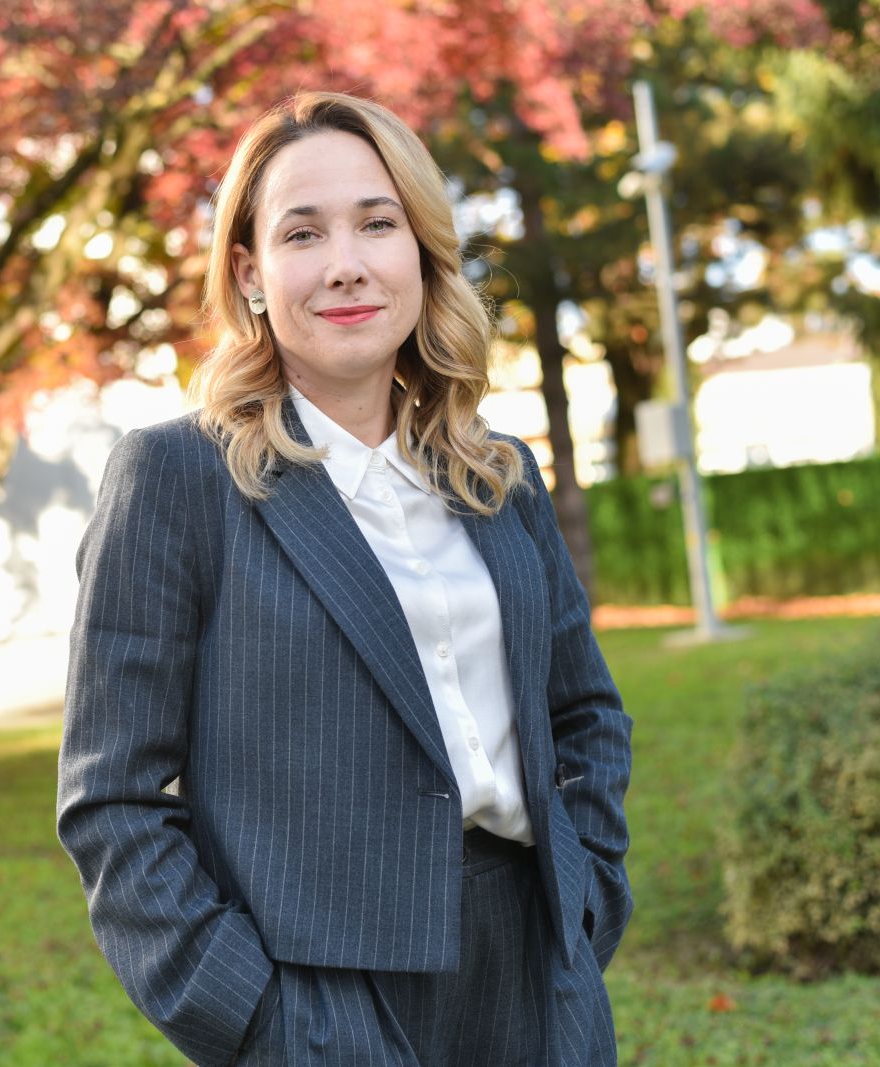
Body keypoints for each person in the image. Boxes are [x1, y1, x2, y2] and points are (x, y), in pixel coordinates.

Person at [55, 90, 632, 1067]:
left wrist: (585, 894)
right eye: (301, 232)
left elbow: (584, 713)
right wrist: (247, 1012)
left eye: (377, 222)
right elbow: (112, 796)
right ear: (249, 272)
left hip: (532, 966)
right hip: (315, 991)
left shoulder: (498, 474)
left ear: (421, 250)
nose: (346, 263)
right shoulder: (177, 479)